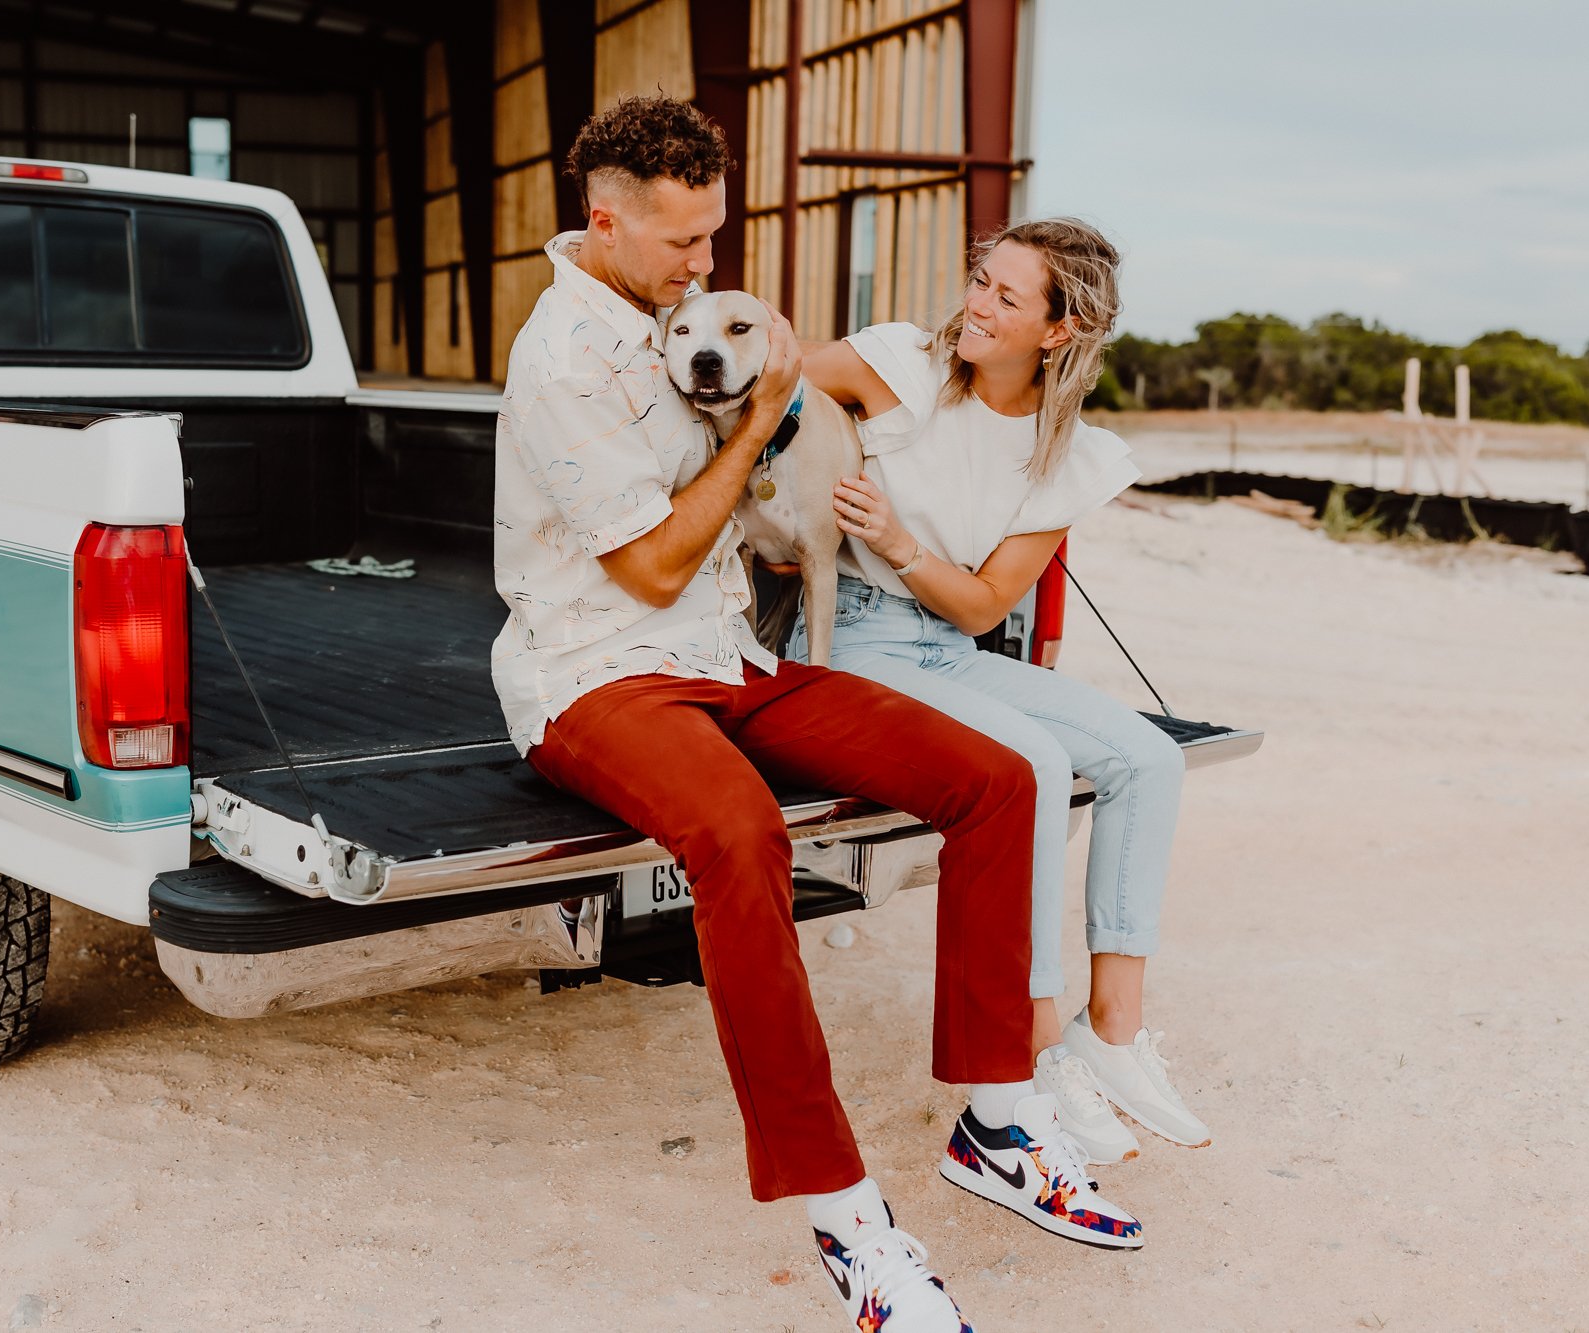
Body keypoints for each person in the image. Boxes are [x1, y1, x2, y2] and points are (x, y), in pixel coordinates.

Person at [492, 98, 1144, 1332]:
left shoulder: (669, 316)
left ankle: (997, 1120)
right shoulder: (562, 356)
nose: (706, 265)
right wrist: (760, 416)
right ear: (604, 221)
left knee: (999, 778)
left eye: (714, 238)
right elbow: (648, 569)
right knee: (741, 836)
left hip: (724, 656)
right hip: (592, 673)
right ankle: (846, 1215)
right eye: (684, 243)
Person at [792, 219, 1211, 1168]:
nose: (977, 305)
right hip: (850, 633)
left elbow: (982, 605)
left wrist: (902, 542)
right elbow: (762, 381)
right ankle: (1033, 1044)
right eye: (981, 280)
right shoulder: (897, 363)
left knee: (1148, 754)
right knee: (1036, 760)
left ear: (1056, 334)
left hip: (944, 639)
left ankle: (1108, 1035)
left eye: (1006, 297)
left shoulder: (1064, 452)